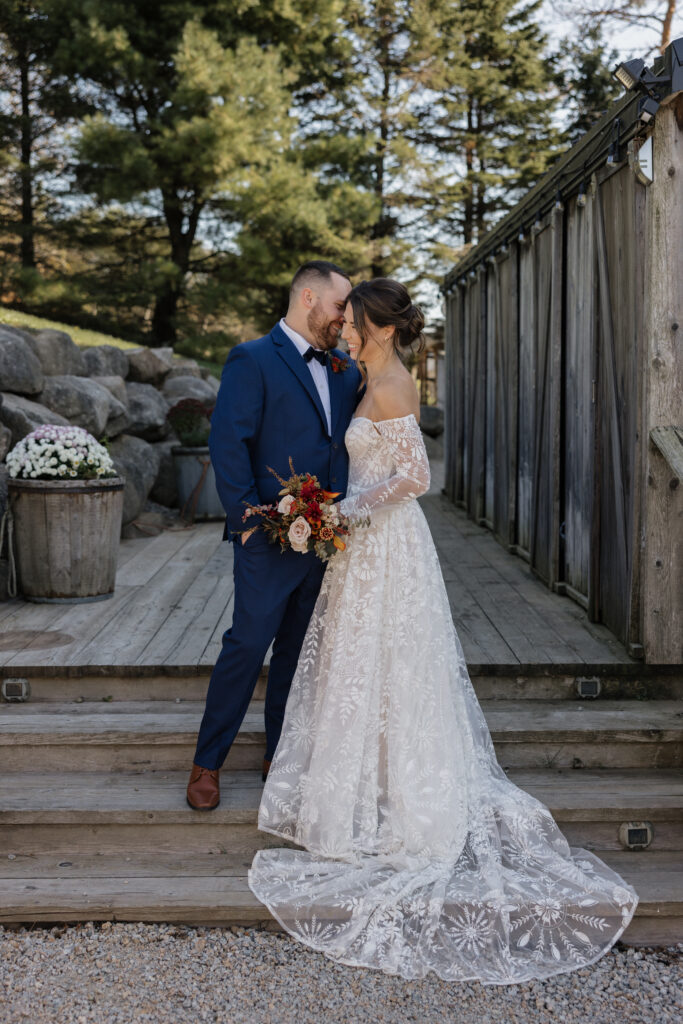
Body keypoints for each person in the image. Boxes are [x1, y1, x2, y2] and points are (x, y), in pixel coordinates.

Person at [247, 277, 638, 984]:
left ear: (382, 327)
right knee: (351, 662)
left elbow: (417, 477)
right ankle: (354, 794)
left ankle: (401, 802)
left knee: (392, 663)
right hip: (361, 548)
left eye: (355, 316)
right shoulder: (359, 372)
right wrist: (325, 507)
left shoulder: (393, 381)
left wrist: (346, 512)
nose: (346, 323)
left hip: (387, 545)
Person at [187, 261, 361, 811]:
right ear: (308, 298)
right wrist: (244, 521)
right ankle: (207, 761)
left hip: (327, 537)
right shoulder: (252, 359)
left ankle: (276, 756)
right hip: (267, 534)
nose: (345, 318)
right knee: (246, 644)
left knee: (297, 649)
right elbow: (228, 443)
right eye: (340, 306)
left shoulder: (345, 369)